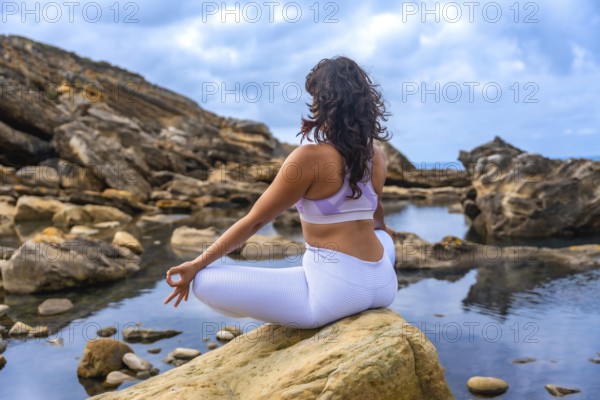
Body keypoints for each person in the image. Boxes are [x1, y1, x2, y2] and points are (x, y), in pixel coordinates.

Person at [164, 56, 398, 329]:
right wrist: (383, 228)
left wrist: (196, 264)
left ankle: (287, 307)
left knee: (203, 281)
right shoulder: (376, 156)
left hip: (336, 294)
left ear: (323, 103)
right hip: (383, 284)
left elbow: (256, 221)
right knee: (382, 237)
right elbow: (374, 209)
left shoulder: (308, 158)